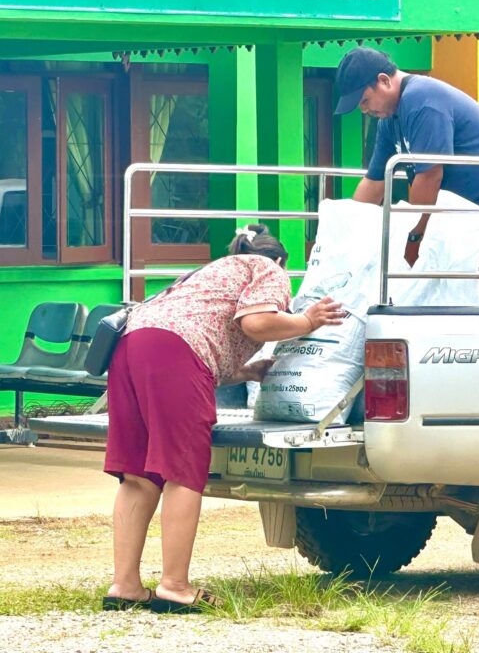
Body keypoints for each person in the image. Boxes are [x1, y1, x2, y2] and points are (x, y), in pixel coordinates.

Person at [101, 225, 345, 614]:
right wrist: (308, 321)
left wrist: (246, 372)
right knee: (182, 470)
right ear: (280, 260)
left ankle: (125, 585)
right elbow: (256, 323)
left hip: (129, 346)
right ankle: (175, 586)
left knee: (137, 475)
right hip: (173, 351)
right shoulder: (268, 268)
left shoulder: (208, 273)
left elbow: (201, 343)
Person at [334, 47, 479, 305]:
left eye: (365, 101)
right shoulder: (389, 119)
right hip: (467, 212)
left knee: (475, 291)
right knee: (440, 292)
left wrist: (414, 238)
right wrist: (345, 237)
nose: (364, 110)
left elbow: (429, 175)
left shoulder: (422, 101)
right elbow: (374, 181)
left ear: (384, 81)